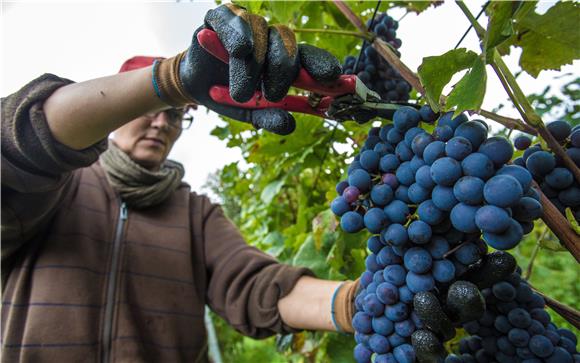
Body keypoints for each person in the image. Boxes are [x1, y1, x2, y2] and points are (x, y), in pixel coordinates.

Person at [1, 4, 359, 362]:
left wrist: (357, 303)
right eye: (149, 111)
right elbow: (21, 143)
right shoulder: (56, 189)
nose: (161, 124)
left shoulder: (194, 213)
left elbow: (254, 287)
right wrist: (172, 81)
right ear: (119, 110)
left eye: (175, 115)